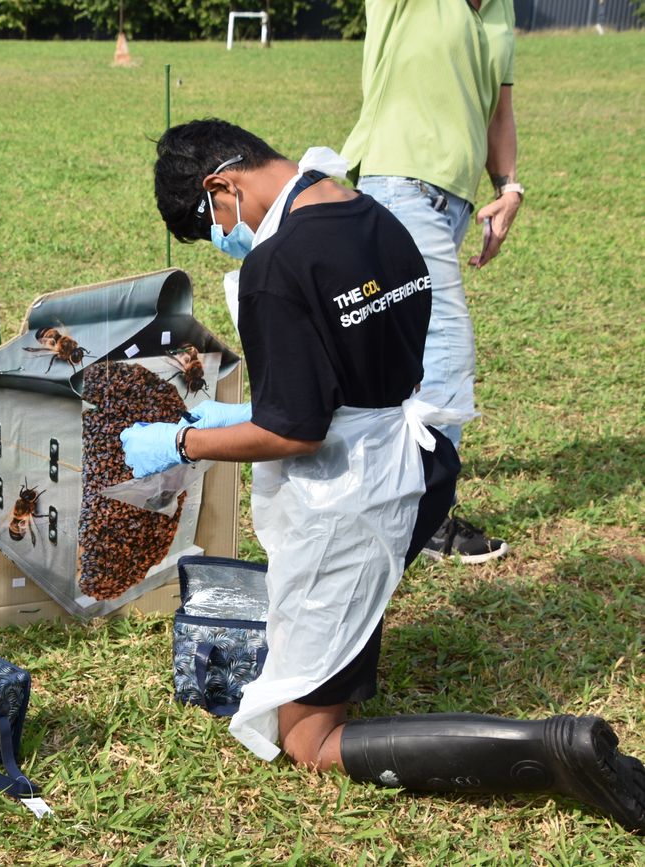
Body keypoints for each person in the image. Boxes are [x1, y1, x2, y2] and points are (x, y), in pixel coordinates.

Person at [123, 118, 643, 833]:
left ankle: (551, 753)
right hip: (419, 466)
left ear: (223, 186)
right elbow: (354, 361)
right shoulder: (371, 212)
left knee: (307, 739)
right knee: (338, 623)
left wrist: (184, 440)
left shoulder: (275, 266)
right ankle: (350, 648)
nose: (221, 239)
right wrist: (245, 410)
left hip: (355, 496)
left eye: (207, 224)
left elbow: (295, 431)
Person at [340, 0, 520, 564]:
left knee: (406, 355)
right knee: (446, 348)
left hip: (455, 201)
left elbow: (499, 109)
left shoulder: (501, 9)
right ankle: (424, 516)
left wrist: (509, 188)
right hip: (402, 186)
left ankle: (371, 485)